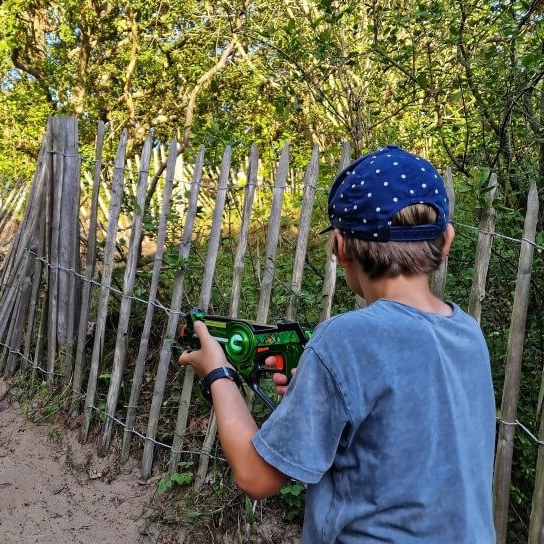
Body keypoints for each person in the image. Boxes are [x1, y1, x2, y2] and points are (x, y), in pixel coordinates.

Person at [179, 144, 496, 543]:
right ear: (446, 241)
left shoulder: (344, 340)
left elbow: (256, 476)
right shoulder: (468, 333)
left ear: (342, 249)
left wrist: (218, 373)